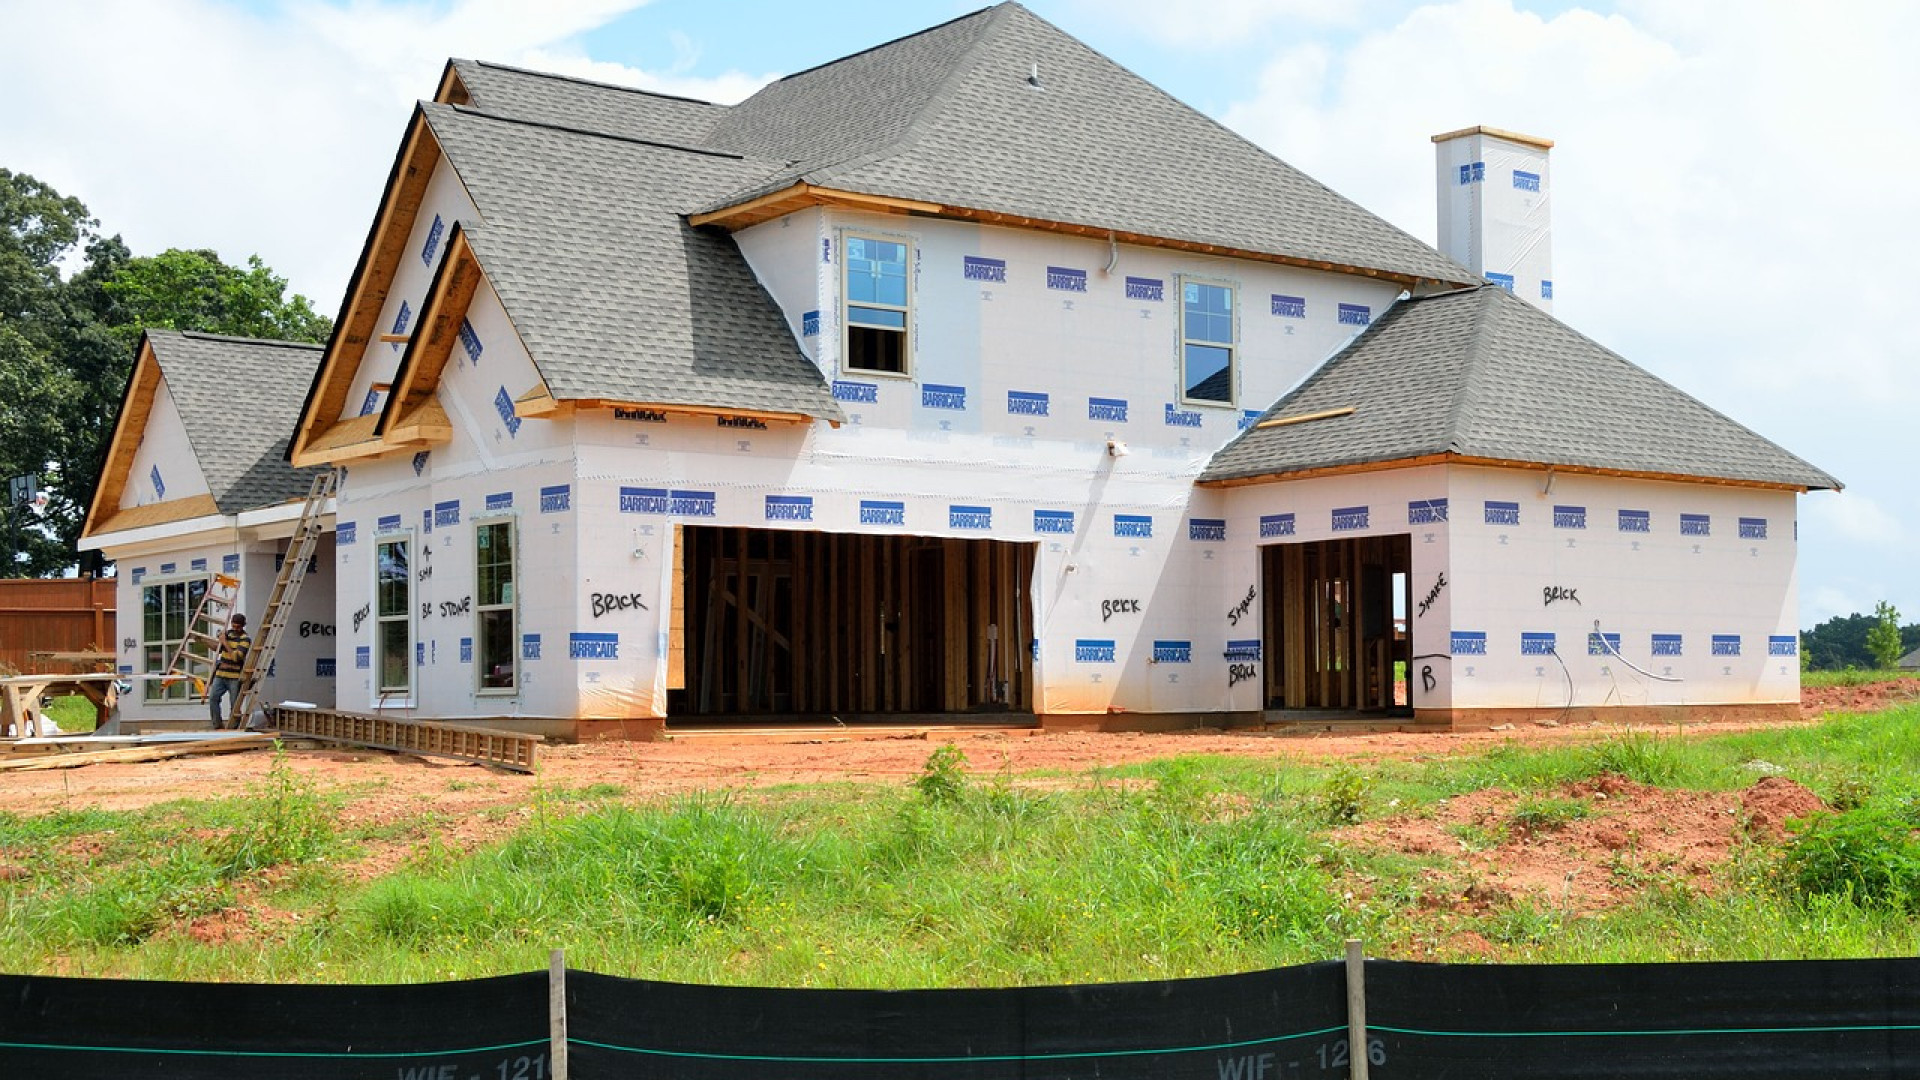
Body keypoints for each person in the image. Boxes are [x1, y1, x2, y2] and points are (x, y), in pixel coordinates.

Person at [208, 613, 252, 730]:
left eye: (238, 627)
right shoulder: (228, 634)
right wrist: (203, 640)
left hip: (235, 677)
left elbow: (236, 657)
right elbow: (217, 648)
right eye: (233, 626)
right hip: (221, 674)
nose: (235, 629)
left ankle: (233, 728)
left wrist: (224, 642)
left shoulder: (245, 639)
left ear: (243, 626)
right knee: (213, 698)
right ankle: (217, 725)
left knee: (235, 705)